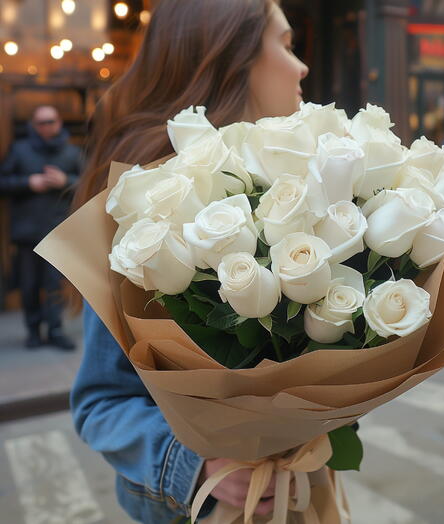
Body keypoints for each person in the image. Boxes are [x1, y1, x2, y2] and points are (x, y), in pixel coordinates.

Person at [70, 0, 308, 522]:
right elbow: (100, 403)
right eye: (287, 46)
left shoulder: (288, 193)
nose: (301, 67)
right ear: (234, 56)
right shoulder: (143, 211)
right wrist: (201, 466)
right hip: (190, 508)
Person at [0, 105, 82, 349]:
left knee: (55, 285)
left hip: (59, 230)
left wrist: (65, 181)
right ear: (34, 125)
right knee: (29, 286)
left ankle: (56, 330)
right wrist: (28, 182)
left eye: (51, 121)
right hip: (27, 231)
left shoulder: (72, 152)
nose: (47, 126)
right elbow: (3, 181)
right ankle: (33, 331)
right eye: (42, 122)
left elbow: (90, 184)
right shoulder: (19, 149)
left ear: (59, 122)